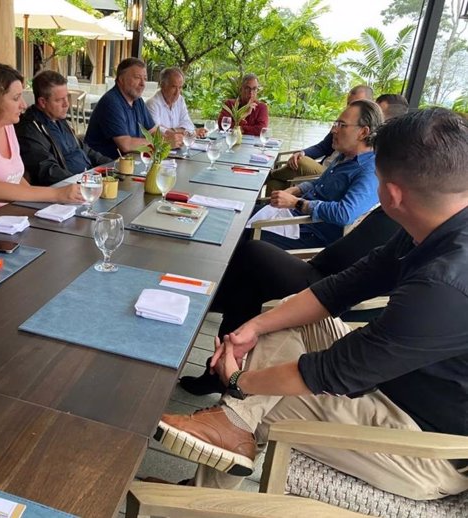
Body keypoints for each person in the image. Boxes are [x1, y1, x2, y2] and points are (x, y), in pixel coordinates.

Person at [157, 108, 468, 501]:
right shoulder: (438, 226)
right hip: (392, 382)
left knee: (258, 402)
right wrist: (251, 329)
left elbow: (335, 371)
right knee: (278, 315)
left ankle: (198, 492)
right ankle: (221, 448)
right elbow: (344, 287)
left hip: (425, 444)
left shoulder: (448, 283)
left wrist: (239, 380)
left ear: (390, 194)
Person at [180, 206, 401, 396]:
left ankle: (209, 318)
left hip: (332, 294)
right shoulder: (406, 219)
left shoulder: (417, 232)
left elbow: (346, 212)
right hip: (328, 278)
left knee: (253, 254)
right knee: (248, 281)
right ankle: (217, 363)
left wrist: (300, 202)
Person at [0, 63, 83, 220]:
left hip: (10, 216)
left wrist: (42, 206)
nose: (24, 105)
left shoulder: (7, 125)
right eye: (16, 98)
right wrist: (56, 194)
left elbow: (15, 179)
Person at [256, 99, 382, 250]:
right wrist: (297, 190)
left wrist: (297, 203)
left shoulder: (370, 171)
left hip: (310, 234)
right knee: (241, 213)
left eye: (342, 125)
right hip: (293, 218)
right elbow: (319, 183)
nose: (334, 130)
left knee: (241, 237)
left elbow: (345, 213)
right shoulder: (344, 156)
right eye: (335, 124)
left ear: (363, 132)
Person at [266, 85, 374, 193]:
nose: (351, 108)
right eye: (349, 104)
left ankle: (269, 175)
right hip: (326, 166)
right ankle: (265, 205)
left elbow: (347, 206)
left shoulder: (368, 137)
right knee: (275, 184)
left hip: (332, 174)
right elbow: (323, 147)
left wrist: (300, 203)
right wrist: (303, 152)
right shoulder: (341, 124)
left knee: (301, 162)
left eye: (357, 104)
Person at [15, 70, 111, 186]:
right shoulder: (29, 129)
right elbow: (48, 171)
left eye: (67, 97)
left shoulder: (59, 119)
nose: (66, 104)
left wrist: (111, 166)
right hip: (67, 191)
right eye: (59, 100)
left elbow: (83, 149)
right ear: (42, 102)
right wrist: (84, 184)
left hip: (88, 181)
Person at [85, 58, 183, 158]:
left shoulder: (138, 101)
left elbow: (153, 131)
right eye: (137, 77)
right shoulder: (111, 102)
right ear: (121, 79)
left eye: (144, 78)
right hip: (103, 166)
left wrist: (173, 137)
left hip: (129, 162)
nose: (143, 84)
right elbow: (126, 144)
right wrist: (163, 142)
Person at [146, 67, 206, 137]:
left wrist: (171, 131)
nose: (177, 92)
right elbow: (157, 132)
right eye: (173, 87)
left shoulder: (180, 100)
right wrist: (183, 131)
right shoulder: (152, 104)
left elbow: (189, 125)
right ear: (163, 85)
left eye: (180, 87)